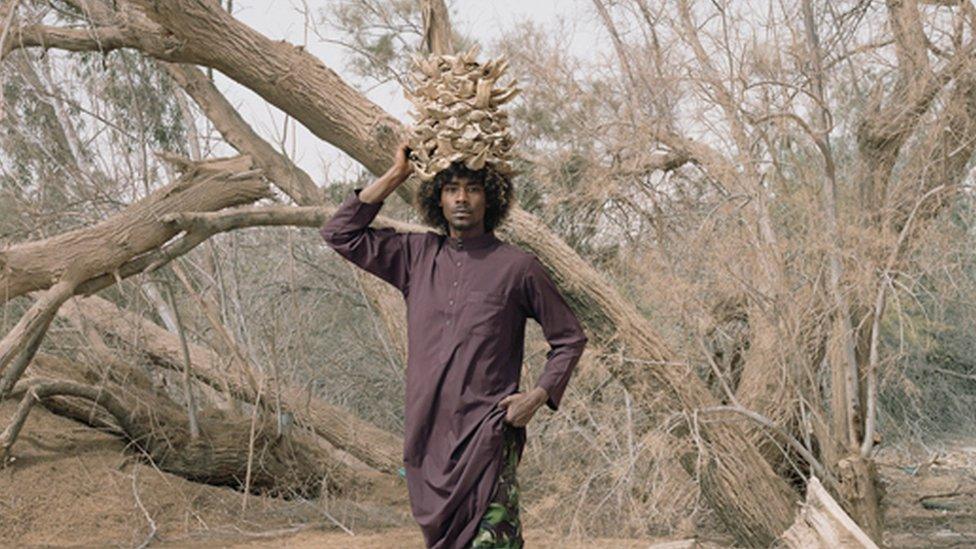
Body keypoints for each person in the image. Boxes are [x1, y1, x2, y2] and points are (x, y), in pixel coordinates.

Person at [320, 142, 588, 548]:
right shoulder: (416, 256)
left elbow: (569, 338)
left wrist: (537, 396)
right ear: (437, 199)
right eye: (451, 189)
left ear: (492, 196)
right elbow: (340, 233)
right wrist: (398, 174)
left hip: (487, 436)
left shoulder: (518, 268)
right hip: (426, 438)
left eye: (473, 188)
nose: (462, 198)